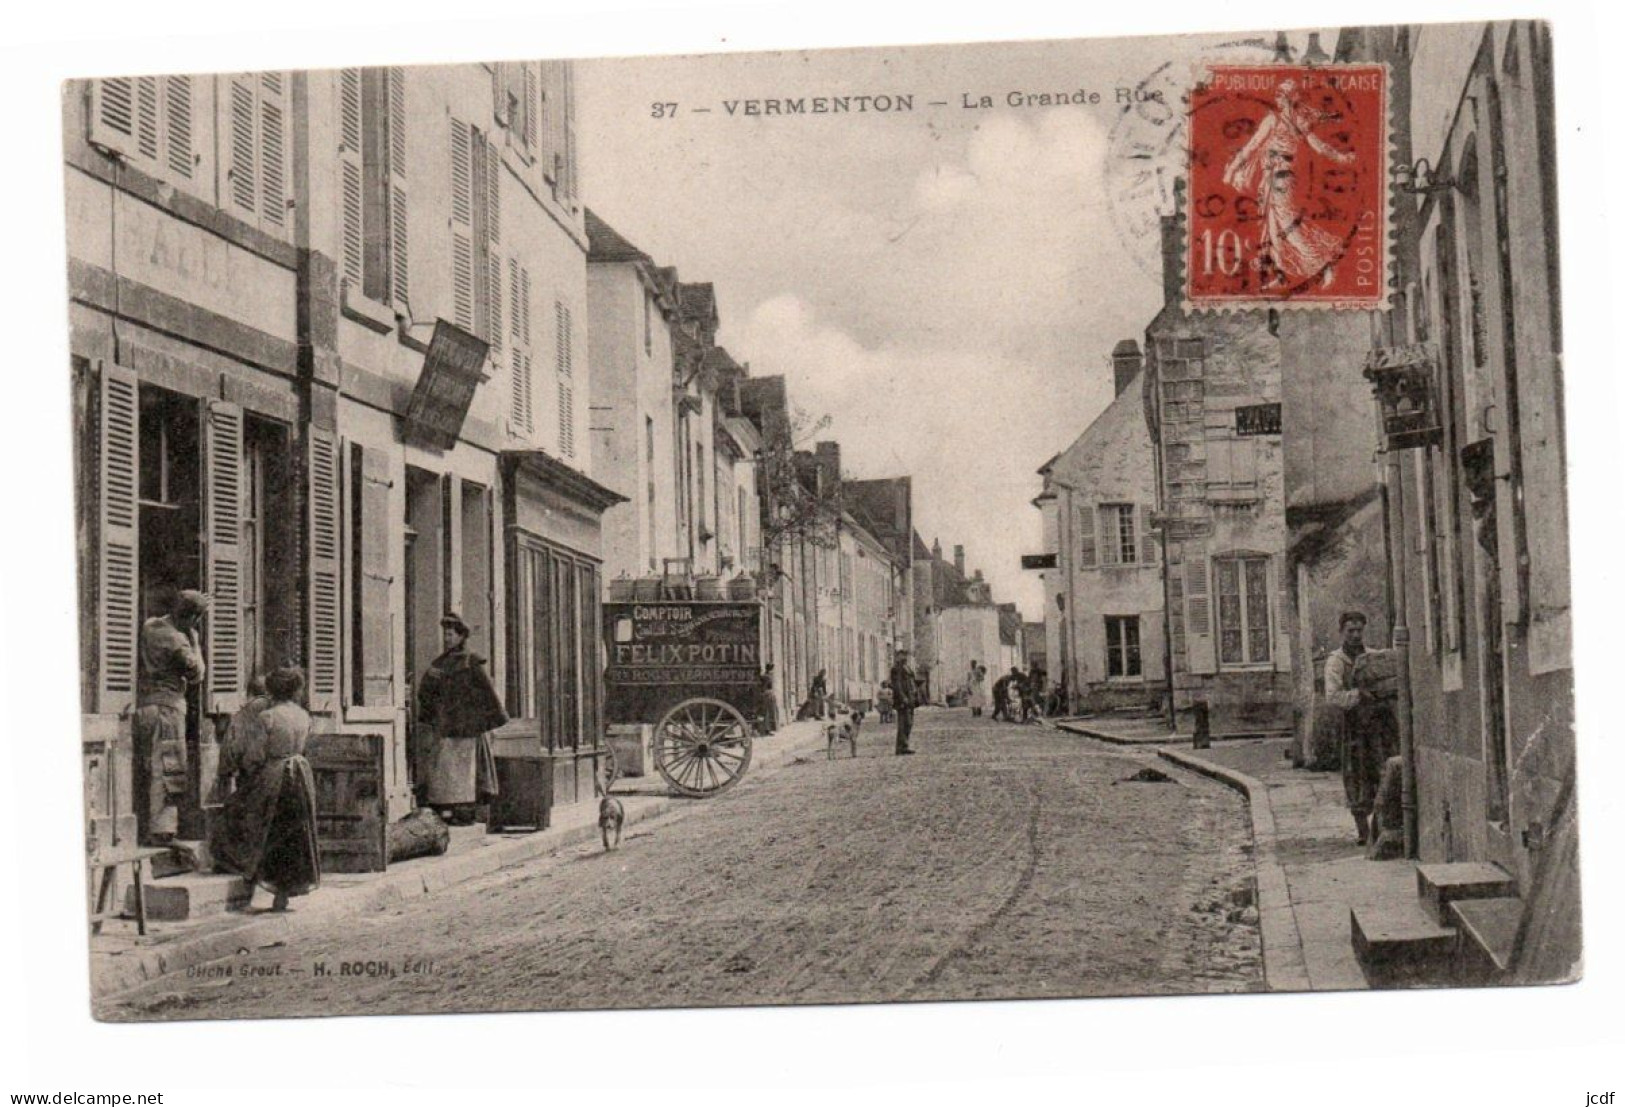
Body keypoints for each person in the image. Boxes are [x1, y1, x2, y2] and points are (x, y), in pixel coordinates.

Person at [1222, 78, 1358, 290]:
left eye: (1281, 96)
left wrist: (1231, 170)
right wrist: (1343, 158)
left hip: (1279, 179)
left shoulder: (1278, 120)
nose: (1278, 100)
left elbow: (1252, 147)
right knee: (1272, 227)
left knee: (1288, 226)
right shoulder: (1297, 121)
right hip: (1273, 179)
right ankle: (1281, 273)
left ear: (1286, 99)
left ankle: (1322, 265)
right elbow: (1254, 147)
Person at [213, 666, 321, 912]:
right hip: (300, 777)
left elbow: (255, 756)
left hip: (273, 777)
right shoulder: (304, 716)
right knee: (292, 834)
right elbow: (305, 748)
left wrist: (247, 769)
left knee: (255, 823)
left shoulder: (268, 717)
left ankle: (247, 877)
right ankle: (282, 894)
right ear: (295, 690)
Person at [416, 612, 508, 825]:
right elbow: (425, 692)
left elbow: (488, 692)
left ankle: (464, 812)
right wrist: (430, 715)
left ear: (461, 637)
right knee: (445, 770)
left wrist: (489, 720)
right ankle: (446, 811)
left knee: (464, 772)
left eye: (451, 635)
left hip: (466, 728)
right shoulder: (438, 663)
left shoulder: (471, 662)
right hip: (445, 726)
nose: (447, 639)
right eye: (445, 635)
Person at [134, 589, 209, 843]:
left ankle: (148, 827)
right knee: (166, 769)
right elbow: (197, 674)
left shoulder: (151, 626)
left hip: (144, 705)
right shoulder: (178, 640)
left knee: (148, 766)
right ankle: (161, 831)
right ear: (193, 619)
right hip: (167, 708)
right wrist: (196, 642)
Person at [1322, 611, 1399, 845]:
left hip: (1380, 725)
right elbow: (1333, 696)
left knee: (1382, 771)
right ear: (1341, 632)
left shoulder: (1374, 657)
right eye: (1350, 631)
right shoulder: (1336, 662)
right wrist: (1359, 695)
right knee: (1356, 774)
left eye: (1359, 630)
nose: (1355, 635)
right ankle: (1363, 831)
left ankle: (1380, 826)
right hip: (1354, 727)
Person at [889, 650, 919, 755]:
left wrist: (915, 695)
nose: (904, 658)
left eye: (905, 656)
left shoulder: (907, 668)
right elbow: (897, 685)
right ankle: (901, 747)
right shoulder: (896, 669)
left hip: (910, 698)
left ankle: (905, 745)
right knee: (903, 723)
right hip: (903, 700)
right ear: (897, 657)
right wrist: (903, 697)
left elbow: (912, 682)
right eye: (902, 656)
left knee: (909, 723)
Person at [757, 664, 779, 735]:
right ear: (770, 670)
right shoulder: (767, 677)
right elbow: (766, 687)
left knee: (766, 713)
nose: (772, 672)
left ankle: (765, 729)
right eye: (772, 670)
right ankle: (767, 730)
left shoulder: (764, 676)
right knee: (769, 713)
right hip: (768, 696)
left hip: (766, 695)